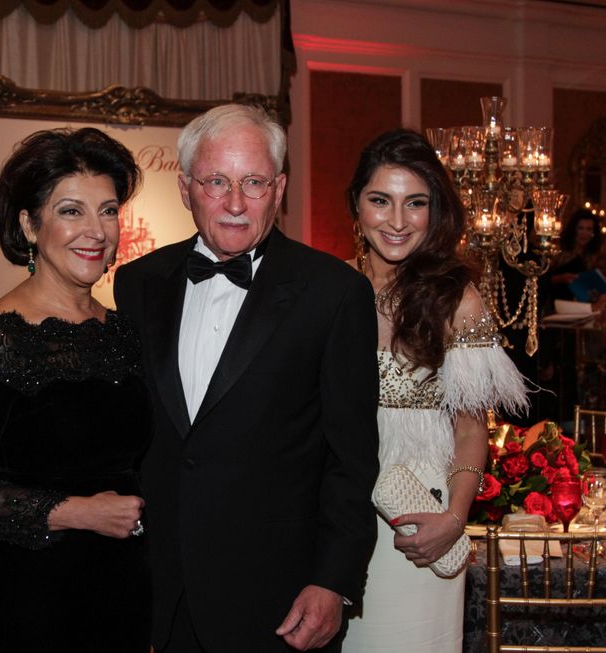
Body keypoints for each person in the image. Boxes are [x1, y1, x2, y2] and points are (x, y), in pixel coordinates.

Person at [114, 103, 379, 653]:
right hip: (163, 591)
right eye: (216, 181)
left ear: (279, 189)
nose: (235, 203)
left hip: (278, 599)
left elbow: (351, 460)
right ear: (185, 188)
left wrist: (334, 581)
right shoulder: (137, 284)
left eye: (254, 182)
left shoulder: (333, 294)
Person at [0, 128, 151, 652]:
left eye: (108, 210)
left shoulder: (120, 330)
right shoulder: (3, 336)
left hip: (121, 587)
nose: (95, 231)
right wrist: (80, 511)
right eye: (71, 211)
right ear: (30, 225)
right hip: (30, 598)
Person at [340, 129, 528, 653]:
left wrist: (453, 519)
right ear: (356, 206)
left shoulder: (458, 301)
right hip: (337, 512)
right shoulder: (329, 290)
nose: (397, 221)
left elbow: (472, 429)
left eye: (415, 203)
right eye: (380, 200)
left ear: (436, 211)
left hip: (419, 518)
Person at [549, 208, 604, 303]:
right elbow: (543, 280)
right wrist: (562, 278)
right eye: (580, 228)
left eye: (589, 229)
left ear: (593, 233)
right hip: (556, 301)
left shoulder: (594, 256)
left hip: (583, 304)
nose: (584, 233)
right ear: (573, 230)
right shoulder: (559, 251)